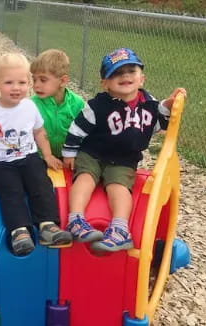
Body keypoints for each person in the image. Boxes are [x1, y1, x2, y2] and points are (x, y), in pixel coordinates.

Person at [62, 48, 186, 252]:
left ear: (142, 78)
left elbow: (157, 125)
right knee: (84, 177)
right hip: (93, 153)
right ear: (105, 83)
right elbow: (78, 128)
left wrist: (167, 106)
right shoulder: (98, 105)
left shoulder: (149, 105)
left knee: (119, 188)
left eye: (131, 71)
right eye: (117, 73)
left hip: (123, 160)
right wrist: (69, 152)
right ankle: (76, 220)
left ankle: (120, 229)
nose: (125, 76)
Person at [0, 53, 73, 256]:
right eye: (9, 83)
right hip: (1, 162)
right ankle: (19, 231)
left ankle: (47, 226)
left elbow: (39, 133)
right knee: (11, 190)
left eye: (22, 82)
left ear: (29, 83)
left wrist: (48, 155)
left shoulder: (30, 106)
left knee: (41, 183)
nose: (16, 88)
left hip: (29, 157)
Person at [30, 49, 85, 159]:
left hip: (70, 157)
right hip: (39, 157)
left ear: (63, 81)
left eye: (43, 80)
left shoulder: (77, 104)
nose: (36, 85)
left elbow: (84, 133)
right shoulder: (31, 105)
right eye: (34, 80)